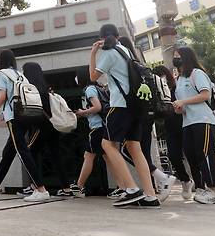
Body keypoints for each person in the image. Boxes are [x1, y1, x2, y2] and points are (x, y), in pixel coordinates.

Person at [89, 25, 159, 207]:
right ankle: (150, 196)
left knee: (107, 144)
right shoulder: (125, 50)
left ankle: (131, 189)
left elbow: (93, 76)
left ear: (101, 38)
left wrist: (93, 53)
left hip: (120, 105)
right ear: (118, 36)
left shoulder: (108, 53)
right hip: (136, 107)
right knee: (135, 148)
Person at [0, 50, 50, 202]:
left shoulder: (2, 74)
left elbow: (3, 96)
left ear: (0, 61)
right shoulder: (19, 74)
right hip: (25, 115)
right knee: (8, 152)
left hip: (14, 117)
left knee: (23, 151)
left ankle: (41, 189)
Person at [172, 46, 215, 204]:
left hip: (203, 120)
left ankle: (213, 190)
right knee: (191, 156)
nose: (175, 60)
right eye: (174, 57)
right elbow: (181, 106)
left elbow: (205, 95)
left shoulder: (197, 74)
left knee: (204, 155)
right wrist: (178, 108)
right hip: (187, 122)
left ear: (187, 58)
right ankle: (205, 187)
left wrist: (184, 101)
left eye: (178, 56)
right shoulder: (178, 80)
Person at [118, 36, 176, 202]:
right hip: (147, 115)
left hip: (138, 114)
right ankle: (153, 188)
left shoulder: (131, 67)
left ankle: (161, 179)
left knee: (131, 150)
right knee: (139, 151)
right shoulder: (139, 65)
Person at [21, 62, 72, 197]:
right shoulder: (46, 86)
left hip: (40, 127)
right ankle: (66, 188)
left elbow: (32, 111)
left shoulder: (31, 88)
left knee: (30, 153)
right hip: (53, 126)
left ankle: (35, 186)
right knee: (56, 156)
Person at [71, 67, 122, 198]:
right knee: (108, 158)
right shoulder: (99, 88)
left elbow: (97, 107)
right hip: (105, 126)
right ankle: (122, 187)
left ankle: (79, 186)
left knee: (89, 156)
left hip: (97, 128)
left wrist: (83, 112)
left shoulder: (89, 89)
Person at [152, 65, 194, 200]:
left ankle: (199, 184)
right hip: (170, 127)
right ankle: (185, 181)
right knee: (174, 156)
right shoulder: (157, 91)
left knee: (191, 155)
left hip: (184, 124)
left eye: (161, 76)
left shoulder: (177, 87)